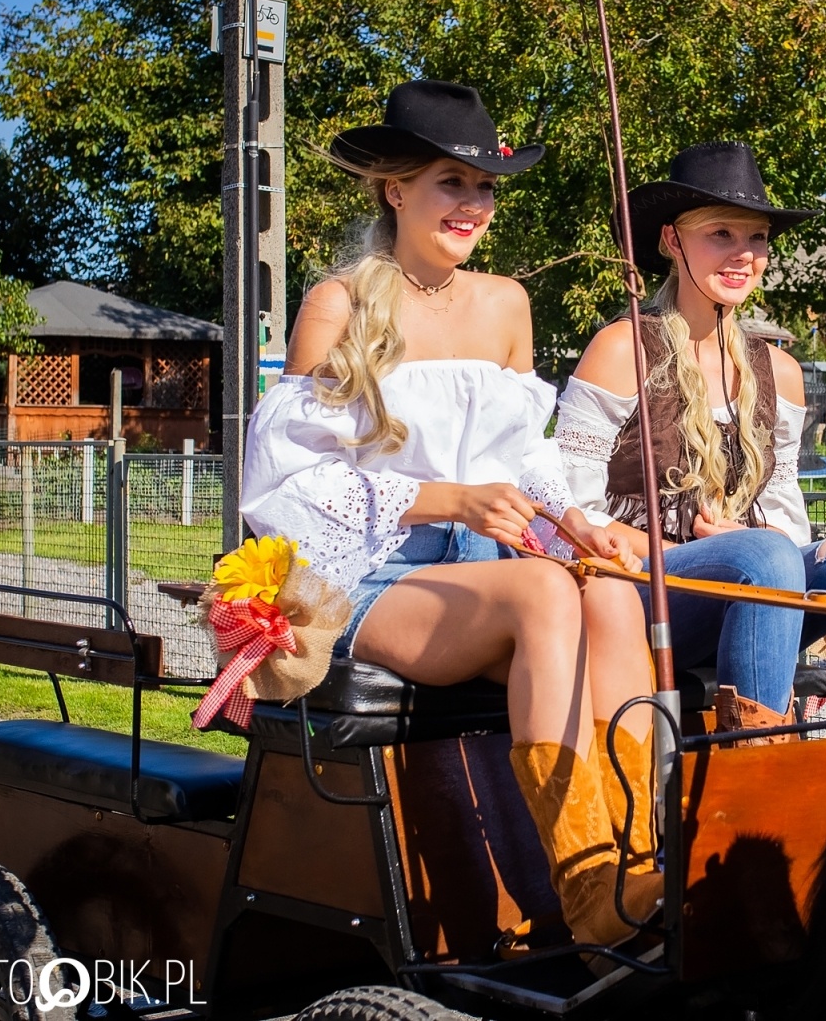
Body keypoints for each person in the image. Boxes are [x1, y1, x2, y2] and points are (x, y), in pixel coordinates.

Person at [239, 80, 658, 950]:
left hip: (485, 558)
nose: (473, 205)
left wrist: (577, 519)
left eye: (485, 187)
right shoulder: (341, 304)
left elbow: (524, 452)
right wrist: (448, 499)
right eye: (450, 183)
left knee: (611, 586)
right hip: (370, 568)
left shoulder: (505, 304)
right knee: (544, 594)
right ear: (396, 189)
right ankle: (586, 888)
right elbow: (282, 480)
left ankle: (643, 853)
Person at [554, 141, 826, 737]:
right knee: (765, 556)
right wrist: (715, 554)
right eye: (720, 234)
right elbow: (566, 517)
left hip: (755, 584)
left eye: (756, 238)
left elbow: (787, 522)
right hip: (637, 592)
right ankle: (753, 762)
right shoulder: (623, 349)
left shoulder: (779, 371)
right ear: (673, 241)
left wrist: (745, 543)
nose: (743, 255)